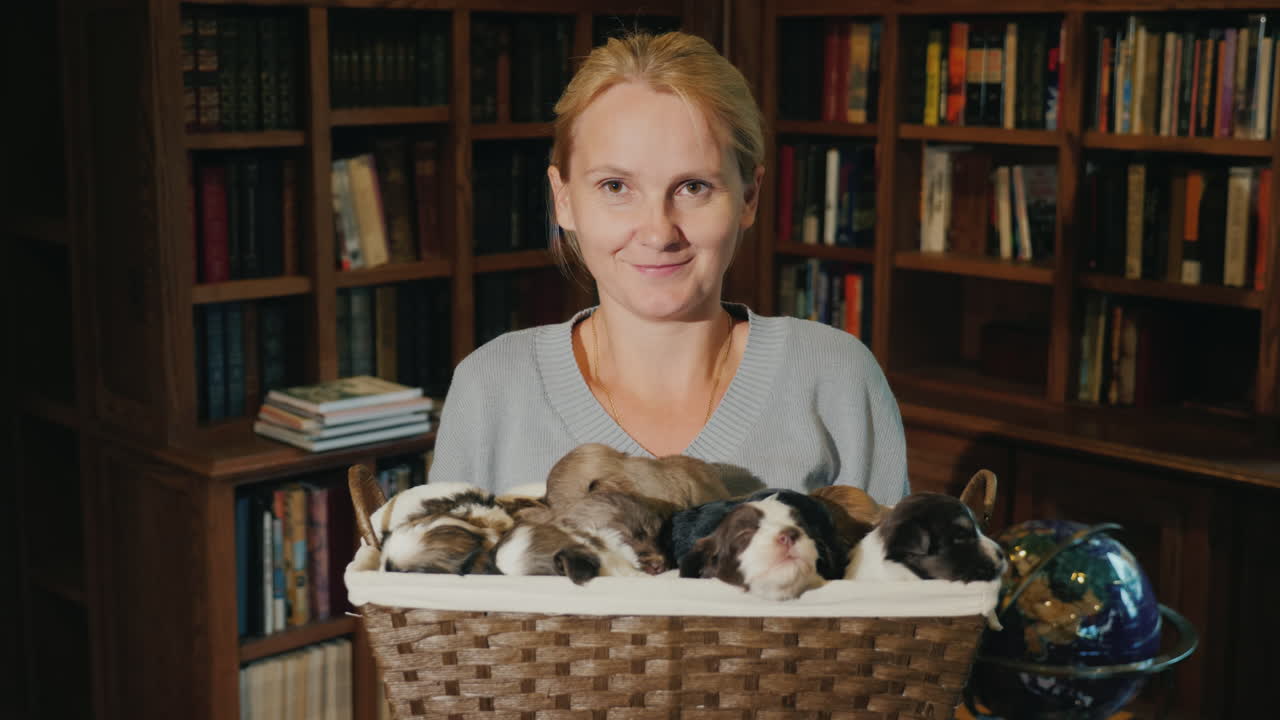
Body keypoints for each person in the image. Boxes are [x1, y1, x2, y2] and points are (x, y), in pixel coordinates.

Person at [427, 31, 909, 505]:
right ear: (564, 200)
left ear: (749, 196)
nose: (658, 232)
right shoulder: (491, 386)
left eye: (693, 187)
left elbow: (903, 579)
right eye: (616, 187)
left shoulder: (835, 376)